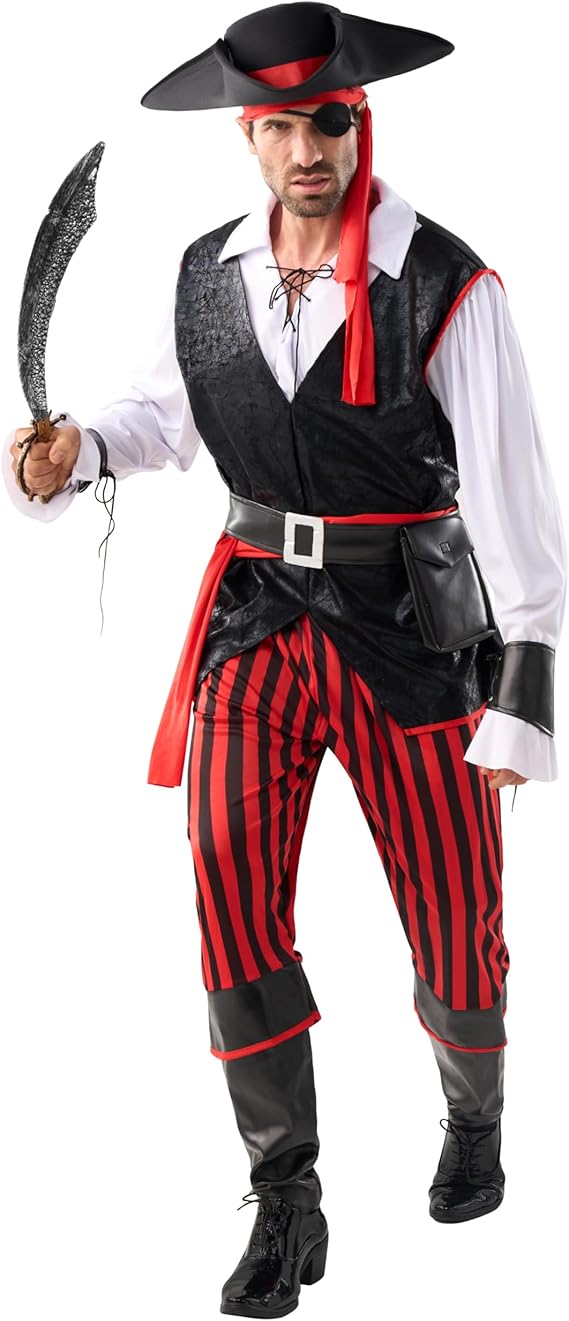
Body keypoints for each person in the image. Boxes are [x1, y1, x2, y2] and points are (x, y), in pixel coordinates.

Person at [4, 4, 567, 1316]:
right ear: (246, 135)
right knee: (227, 883)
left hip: (410, 627)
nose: (306, 149)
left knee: (455, 914)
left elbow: (518, 510)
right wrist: (75, 451)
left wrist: (520, 700)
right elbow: (158, 420)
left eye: (327, 121)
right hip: (256, 619)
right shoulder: (206, 274)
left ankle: (473, 1113)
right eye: (278, 126)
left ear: (358, 119)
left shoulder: (446, 284)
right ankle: (285, 1192)